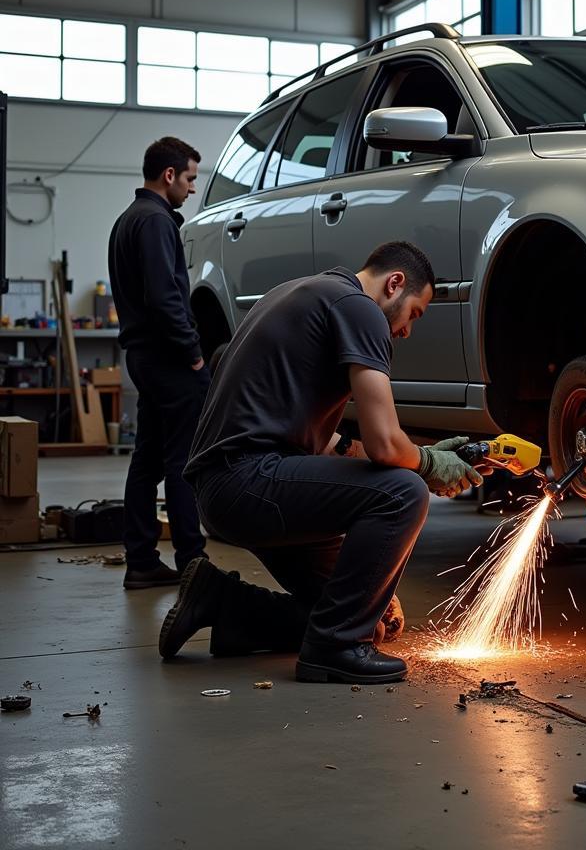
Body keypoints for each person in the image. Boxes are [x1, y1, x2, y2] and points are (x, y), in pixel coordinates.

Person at [158, 241, 485, 684]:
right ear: (395, 284)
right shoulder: (360, 309)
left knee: (367, 621)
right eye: (415, 314)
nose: (407, 331)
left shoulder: (305, 294)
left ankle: (219, 600)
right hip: (248, 480)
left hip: (231, 486)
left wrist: (432, 456)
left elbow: (337, 444)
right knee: (403, 492)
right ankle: (332, 650)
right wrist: (426, 464)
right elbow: (387, 445)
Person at [108, 137, 210, 590]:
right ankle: (193, 562)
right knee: (182, 460)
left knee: (147, 459)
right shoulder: (155, 222)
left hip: (142, 358)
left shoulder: (127, 220)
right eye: (189, 178)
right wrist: (192, 353)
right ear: (169, 175)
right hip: (168, 358)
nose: (191, 188)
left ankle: (142, 561)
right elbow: (164, 296)